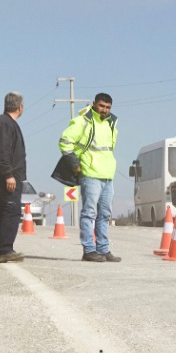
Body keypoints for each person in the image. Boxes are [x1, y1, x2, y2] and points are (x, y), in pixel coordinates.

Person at [59, 92, 120, 262]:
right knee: (89, 213)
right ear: (94, 104)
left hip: (108, 176)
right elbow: (65, 142)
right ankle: (89, 250)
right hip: (90, 174)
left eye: (107, 107)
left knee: (105, 215)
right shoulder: (83, 121)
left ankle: (103, 249)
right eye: (101, 106)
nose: (104, 110)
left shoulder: (111, 124)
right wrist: (75, 165)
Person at [0, 91, 27, 262]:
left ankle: (4, 249)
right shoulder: (4, 124)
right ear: (20, 107)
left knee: (8, 211)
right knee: (10, 211)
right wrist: (8, 175)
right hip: (10, 176)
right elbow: (1, 153)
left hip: (12, 175)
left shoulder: (6, 124)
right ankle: (4, 250)